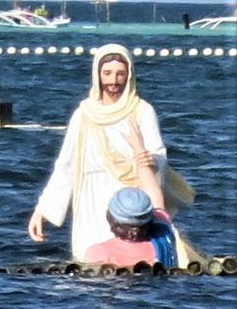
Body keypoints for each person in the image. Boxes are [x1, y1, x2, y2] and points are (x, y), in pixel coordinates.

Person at [27, 43, 194, 261]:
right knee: (90, 260)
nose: (113, 80)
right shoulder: (84, 114)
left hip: (128, 198)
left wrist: (147, 157)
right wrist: (43, 210)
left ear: (129, 76)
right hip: (90, 197)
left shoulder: (142, 111)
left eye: (120, 74)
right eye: (107, 73)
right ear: (97, 74)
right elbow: (65, 165)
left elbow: (158, 155)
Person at [84, 187, 177, 268]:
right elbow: (158, 205)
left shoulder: (98, 253)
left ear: (110, 219)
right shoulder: (164, 232)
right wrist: (144, 167)